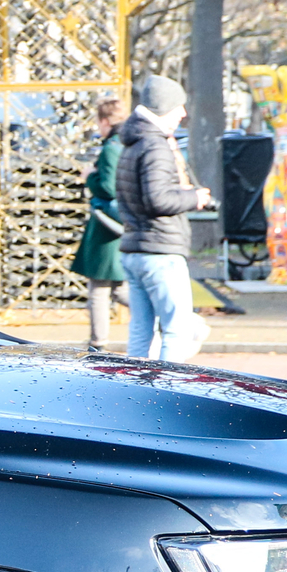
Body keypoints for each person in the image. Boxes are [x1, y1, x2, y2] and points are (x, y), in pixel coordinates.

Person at [115, 74, 214, 361]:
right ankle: (168, 392)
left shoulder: (133, 142)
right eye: (179, 107)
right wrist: (194, 198)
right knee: (176, 330)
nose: (183, 113)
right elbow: (158, 198)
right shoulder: (155, 146)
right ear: (165, 108)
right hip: (160, 250)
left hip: (135, 247)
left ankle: (133, 387)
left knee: (141, 331)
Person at [69, 95, 126, 350]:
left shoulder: (112, 147)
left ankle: (98, 342)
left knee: (100, 288)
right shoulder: (124, 143)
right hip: (116, 223)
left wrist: (90, 176)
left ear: (105, 121)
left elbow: (108, 186)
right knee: (117, 287)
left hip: (107, 225)